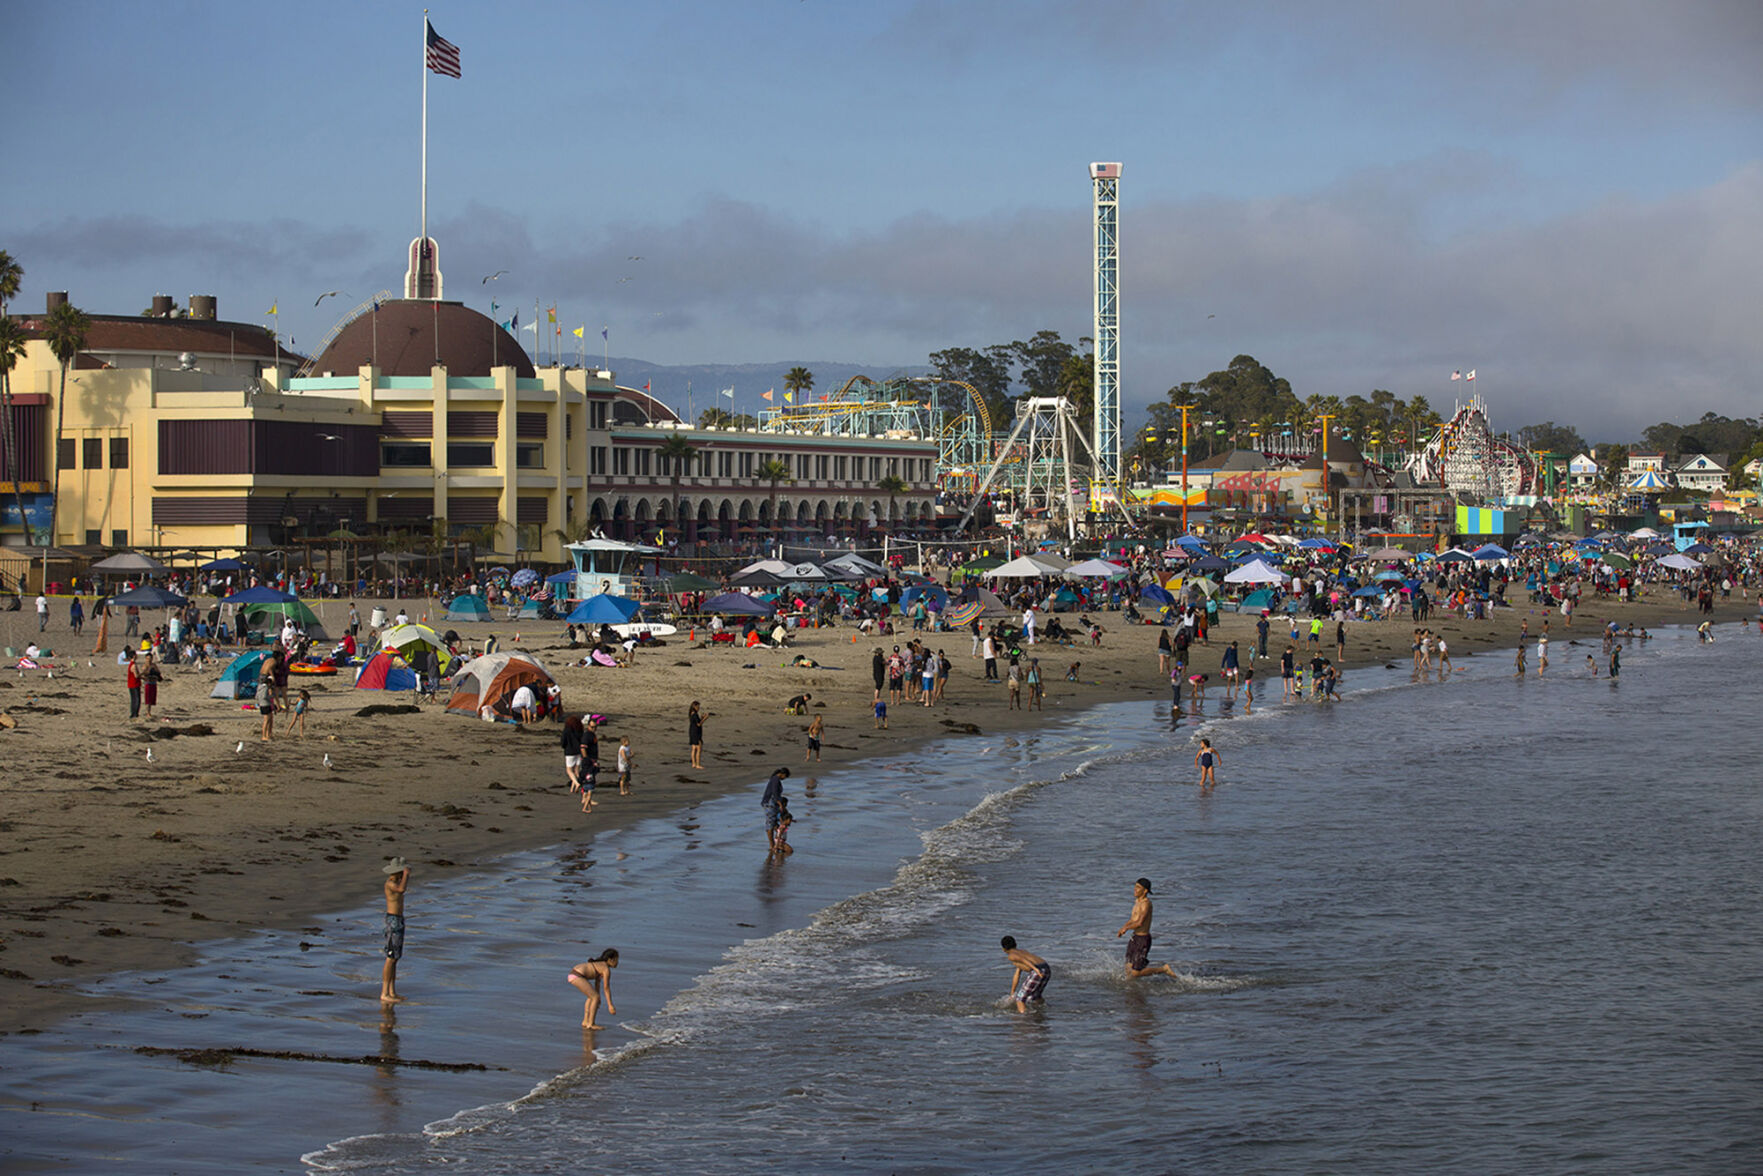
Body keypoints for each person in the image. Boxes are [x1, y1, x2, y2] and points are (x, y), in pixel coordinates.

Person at [1117, 877, 1177, 979]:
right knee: (1128, 971)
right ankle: (1133, 992)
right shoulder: (1137, 902)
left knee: (1136, 973)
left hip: (1142, 940)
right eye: (1135, 886)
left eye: (1138, 887)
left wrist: (1126, 929)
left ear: (1145, 891)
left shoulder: (1146, 904)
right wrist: (1123, 927)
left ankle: (1163, 969)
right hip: (1134, 938)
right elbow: (1132, 919)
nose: (1135, 889)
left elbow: (1140, 922)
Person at [381, 857, 410, 1003]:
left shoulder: (396, 882)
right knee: (390, 958)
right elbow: (401, 889)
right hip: (392, 921)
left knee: (395, 958)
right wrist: (406, 875)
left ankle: (392, 991)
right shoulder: (391, 883)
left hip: (398, 920)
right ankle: (384, 992)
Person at [567, 949, 619, 1029]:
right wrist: (610, 1005)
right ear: (610, 959)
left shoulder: (599, 965)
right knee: (594, 997)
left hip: (573, 974)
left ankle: (585, 1021)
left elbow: (597, 983)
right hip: (578, 975)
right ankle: (591, 1024)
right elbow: (606, 988)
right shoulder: (606, 969)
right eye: (616, 959)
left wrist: (599, 999)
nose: (617, 962)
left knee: (592, 997)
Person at [1000, 936, 1051, 1013]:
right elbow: (1017, 974)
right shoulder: (1022, 952)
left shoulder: (1011, 956)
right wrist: (1012, 992)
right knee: (1036, 996)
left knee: (1020, 999)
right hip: (1046, 968)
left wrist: (1035, 969)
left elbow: (1024, 960)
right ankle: (1045, 1009)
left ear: (1003, 949)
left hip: (1037, 970)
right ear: (1015, 944)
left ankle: (1024, 1018)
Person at [580, 720, 601, 811]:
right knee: (589, 779)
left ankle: (586, 798)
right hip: (588, 761)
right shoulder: (587, 735)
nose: (594, 729)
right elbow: (583, 748)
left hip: (592, 759)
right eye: (592, 727)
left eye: (595, 727)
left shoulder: (592, 735)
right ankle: (586, 798)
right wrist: (586, 759)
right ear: (588, 726)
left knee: (590, 778)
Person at [562, 714, 586, 793]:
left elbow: (563, 741)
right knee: (577, 771)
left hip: (570, 752)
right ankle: (573, 789)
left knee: (569, 770)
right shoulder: (580, 730)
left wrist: (564, 746)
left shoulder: (566, 730)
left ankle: (576, 783)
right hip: (578, 751)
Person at [141, 651, 162, 720]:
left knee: (152, 699)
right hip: (148, 683)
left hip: (153, 683)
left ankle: (149, 712)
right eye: (147, 658)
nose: (149, 660)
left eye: (150, 658)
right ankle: (148, 712)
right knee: (148, 699)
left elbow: (158, 673)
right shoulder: (145, 666)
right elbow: (143, 674)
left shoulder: (154, 665)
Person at [687, 701, 705, 770]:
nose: (699, 708)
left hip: (692, 732)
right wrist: (705, 719)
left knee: (694, 748)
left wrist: (701, 718)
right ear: (695, 706)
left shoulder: (691, 714)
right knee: (698, 749)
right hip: (696, 732)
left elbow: (696, 722)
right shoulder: (694, 714)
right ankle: (697, 764)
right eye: (698, 707)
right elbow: (699, 724)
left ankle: (694, 764)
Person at [125, 650, 142, 720]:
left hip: (132, 684)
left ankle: (134, 713)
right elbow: (136, 675)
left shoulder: (132, 664)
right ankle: (134, 714)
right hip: (134, 684)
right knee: (136, 699)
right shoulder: (133, 665)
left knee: (134, 699)